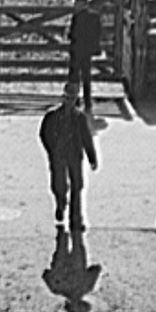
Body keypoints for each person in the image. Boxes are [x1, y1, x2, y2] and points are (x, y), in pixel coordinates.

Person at [39, 81, 98, 231]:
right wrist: (51, 150)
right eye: (67, 98)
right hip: (58, 155)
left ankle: (76, 220)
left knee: (77, 187)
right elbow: (43, 134)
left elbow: (86, 139)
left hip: (74, 155)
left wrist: (92, 157)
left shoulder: (80, 118)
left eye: (72, 99)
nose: (69, 102)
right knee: (59, 185)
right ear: (63, 98)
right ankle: (60, 203)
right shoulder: (51, 116)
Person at [67, 0, 102, 113]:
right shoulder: (95, 16)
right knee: (86, 76)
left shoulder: (77, 17)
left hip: (76, 50)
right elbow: (98, 33)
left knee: (74, 75)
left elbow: (72, 34)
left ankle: (74, 100)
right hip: (87, 51)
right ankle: (87, 102)